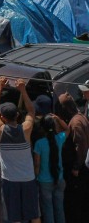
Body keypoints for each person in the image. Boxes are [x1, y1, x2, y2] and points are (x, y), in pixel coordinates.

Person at [0, 77, 40, 223]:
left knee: (14, 217)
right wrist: (23, 89)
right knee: (34, 215)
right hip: (28, 178)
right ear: (18, 115)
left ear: (2, 117)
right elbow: (31, 110)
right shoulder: (26, 129)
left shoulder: (0, 131)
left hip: (10, 181)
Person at [55, 92, 89, 221]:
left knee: (76, 202)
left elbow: (81, 147)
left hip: (78, 172)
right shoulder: (80, 117)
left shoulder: (76, 123)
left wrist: (76, 167)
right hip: (81, 169)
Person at [33, 114, 66, 223]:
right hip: (59, 179)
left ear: (42, 128)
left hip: (44, 181)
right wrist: (58, 118)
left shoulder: (39, 144)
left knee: (48, 210)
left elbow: (37, 164)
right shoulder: (60, 138)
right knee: (59, 209)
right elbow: (68, 129)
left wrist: (35, 176)